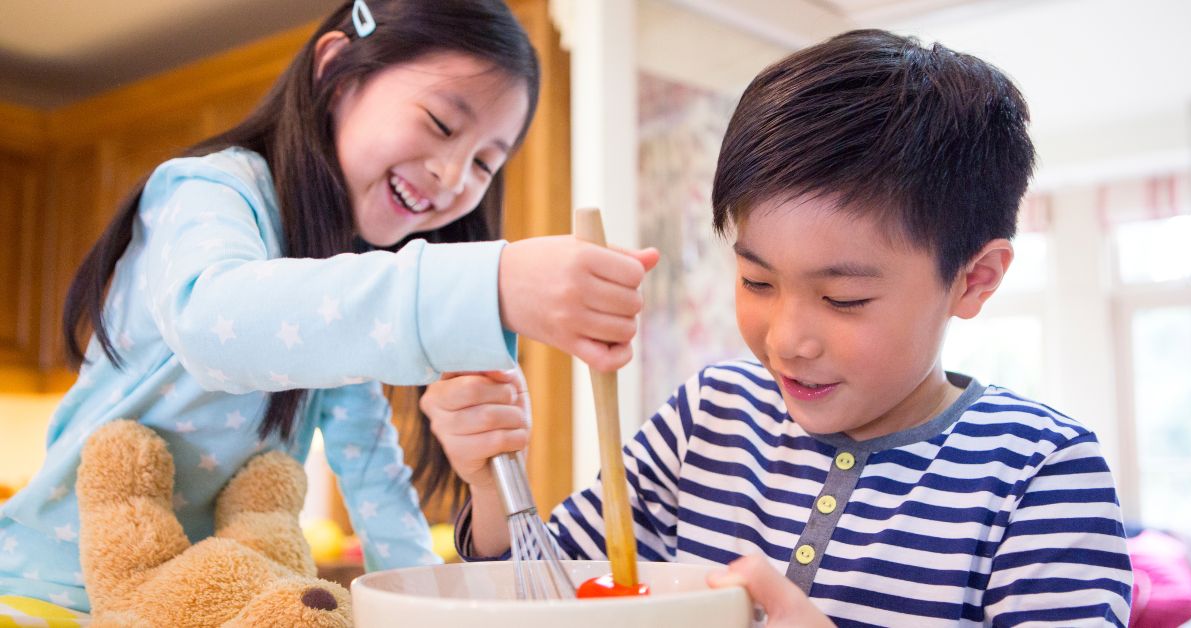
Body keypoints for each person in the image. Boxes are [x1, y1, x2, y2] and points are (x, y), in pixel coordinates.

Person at [423, 29, 1132, 626]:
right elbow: (542, 599)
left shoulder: (1041, 475)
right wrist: (494, 486)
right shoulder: (708, 420)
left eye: (845, 298)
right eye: (757, 282)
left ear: (974, 279)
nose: (787, 339)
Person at [0, 0, 657, 612]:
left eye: (486, 163)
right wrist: (495, 281)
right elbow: (214, 323)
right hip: (47, 595)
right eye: (440, 123)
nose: (454, 177)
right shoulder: (208, 189)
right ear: (336, 71)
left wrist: (430, 605)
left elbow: (378, 489)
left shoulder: (332, 297)